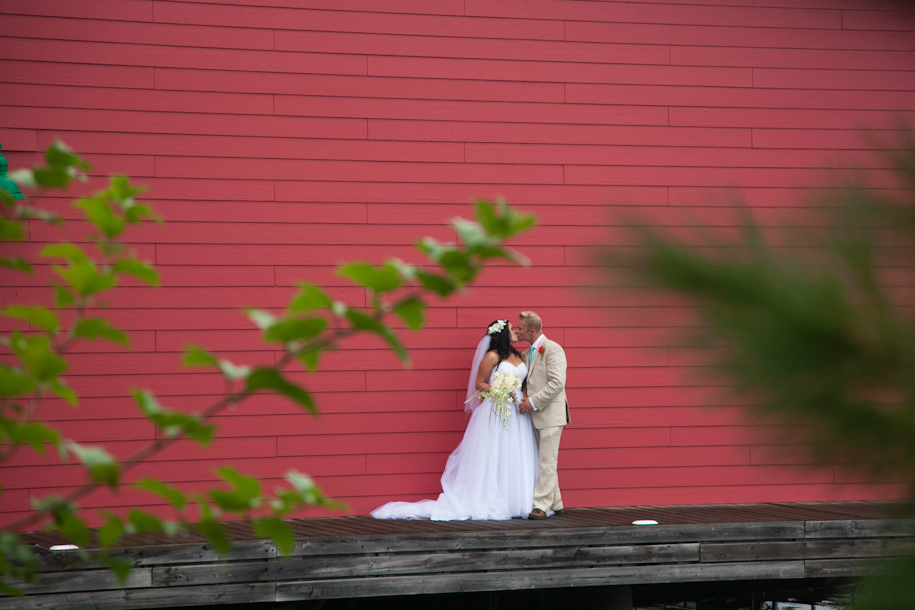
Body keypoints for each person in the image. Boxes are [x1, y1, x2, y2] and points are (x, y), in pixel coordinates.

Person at [371, 319, 540, 520]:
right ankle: (494, 499)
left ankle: (519, 500)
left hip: (518, 410)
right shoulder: (491, 356)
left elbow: (524, 384)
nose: (516, 332)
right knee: (497, 452)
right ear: (503, 333)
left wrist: (524, 398)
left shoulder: (519, 355)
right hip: (498, 409)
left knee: (516, 452)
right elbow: (480, 383)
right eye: (512, 329)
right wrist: (500, 390)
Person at [516, 311, 570, 520]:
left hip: (550, 415)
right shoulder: (528, 351)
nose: (516, 331)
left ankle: (540, 505)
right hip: (536, 415)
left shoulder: (553, 349)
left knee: (547, 461)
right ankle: (556, 503)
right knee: (544, 460)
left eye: (519, 328)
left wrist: (533, 401)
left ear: (531, 330)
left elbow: (557, 383)